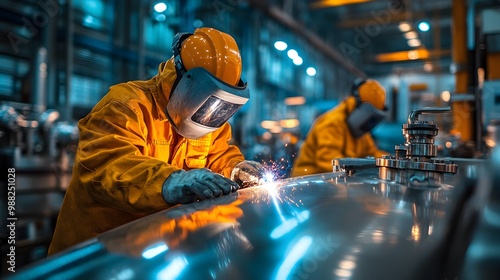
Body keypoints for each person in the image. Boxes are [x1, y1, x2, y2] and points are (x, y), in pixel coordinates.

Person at [48, 27, 266, 255]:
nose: (212, 109)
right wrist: (170, 182)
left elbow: (218, 155)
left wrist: (235, 169)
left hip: (155, 250)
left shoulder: (208, 118)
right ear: (184, 79)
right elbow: (108, 166)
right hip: (95, 253)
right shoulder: (125, 106)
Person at [291, 79, 389, 176]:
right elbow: (330, 162)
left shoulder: (359, 132)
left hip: (331, 183)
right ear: (354, 104)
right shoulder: (332, 124)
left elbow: (372, 152)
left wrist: (389, 162)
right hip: (308, 183)